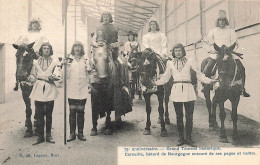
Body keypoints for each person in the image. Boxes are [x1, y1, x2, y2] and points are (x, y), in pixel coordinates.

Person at [153, 43, 218, 147]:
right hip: (176, 90)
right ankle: (181, 138)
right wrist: (155, 83)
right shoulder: (170, 63)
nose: (178, 53)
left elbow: (199, 75)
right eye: (176, 51)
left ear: (183, 51)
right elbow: (165, 78)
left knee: (189, 116)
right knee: (179, 116)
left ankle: (189, 138)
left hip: (188, 89)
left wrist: (210, 81)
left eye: (180, 50)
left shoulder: (190, 60)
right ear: (173, 53)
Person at [202, 10, 250, 97]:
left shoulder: (231, 31)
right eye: (220, 20)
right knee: (208, 68)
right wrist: (210, 50)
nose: (222, 22)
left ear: (226, 21)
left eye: (223, 20)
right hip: (217, 53)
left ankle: (242, 88)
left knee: (242, 68)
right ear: (217, 21)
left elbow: (235, 43)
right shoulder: (213, 31)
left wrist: (229, 51)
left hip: (229, 53)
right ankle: (205, 85)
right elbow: (204, 42)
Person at [28, 42, 62, 145]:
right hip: (38, 89)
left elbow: (58, 74)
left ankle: (48, 135)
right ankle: (40, 136)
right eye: (44, 48)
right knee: (39, 114)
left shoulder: (54, 62)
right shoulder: (36, 62)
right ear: (41, 50)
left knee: (49, 114)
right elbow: (33, 75)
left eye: (48, 48)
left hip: (50, 88)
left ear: (50, 50)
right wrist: (31, 78)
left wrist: (55, 77)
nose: (46, 50)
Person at [66, 41, 88, 142]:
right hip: (72, 89)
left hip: (82, 89)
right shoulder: (69, 60)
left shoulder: (86, 60)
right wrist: (64, 66)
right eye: (75, 47)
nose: (77, 49)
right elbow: (65, 76)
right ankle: (72, 133)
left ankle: (80, 133)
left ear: (81, 48)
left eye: (79, 46)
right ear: (73, 48)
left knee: (81, 111)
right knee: (72, 111)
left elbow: (90, 73)